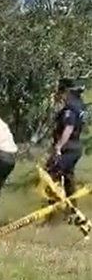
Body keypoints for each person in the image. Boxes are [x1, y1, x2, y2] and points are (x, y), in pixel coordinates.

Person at [46, 78, 87, 206]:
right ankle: (72, 210)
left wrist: (58, 147)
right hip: (75, 146)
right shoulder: (80, 105)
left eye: (61, 91)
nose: (60, 95)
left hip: (68, 146)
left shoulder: (70, 108)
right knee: (68, 176)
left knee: (51, 176)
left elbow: (68, 128)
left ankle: (52, 215)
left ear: (67, 92)